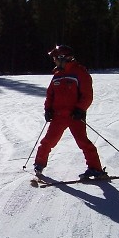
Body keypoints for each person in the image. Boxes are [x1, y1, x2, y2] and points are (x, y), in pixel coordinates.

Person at [33, 45, 106, 179]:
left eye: (55, 58)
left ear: (63, 58)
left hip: (75, 116)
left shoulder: (80, 72)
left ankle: (95, 168)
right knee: (48, 141)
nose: (54, 61)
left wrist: (80, 109)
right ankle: (39, 164)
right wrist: (48, 109)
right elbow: (50, 94)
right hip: (58, 117)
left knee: (83, 142)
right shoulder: (57, 75)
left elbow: (87, 95)